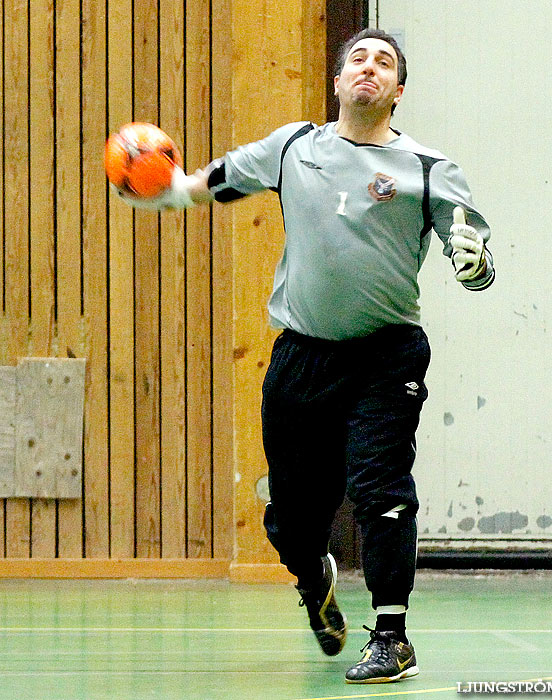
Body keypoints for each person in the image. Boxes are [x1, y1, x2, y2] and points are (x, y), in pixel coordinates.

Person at [117, 27, 494, 684]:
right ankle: (313, 572)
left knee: (382, 491)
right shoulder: (293, 146)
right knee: (292, 519)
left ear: (398, 91)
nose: (369, 68)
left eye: (384, 63)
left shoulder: (431, 170)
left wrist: (475, 264)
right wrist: (155, 189)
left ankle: (392, 636)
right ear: (340, 82)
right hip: (302, 358)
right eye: (358, 59)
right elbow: (204, 183)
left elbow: (475, 255)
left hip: (388, 356)